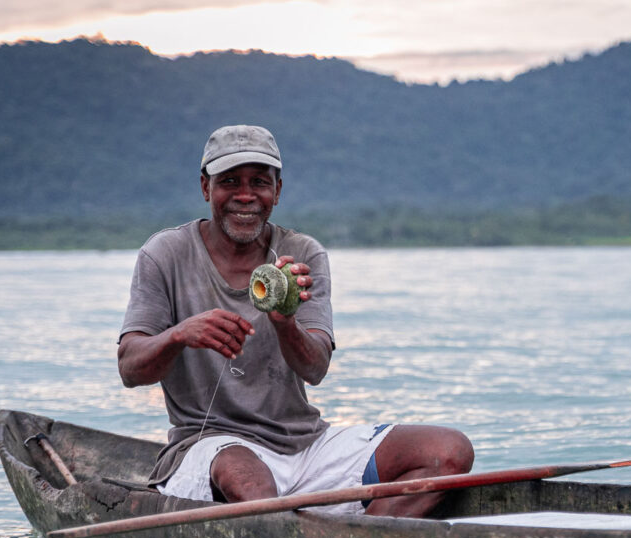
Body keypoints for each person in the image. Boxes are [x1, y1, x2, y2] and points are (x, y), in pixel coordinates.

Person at [118, 124, 473, 517]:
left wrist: (285, 322)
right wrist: (179, 335)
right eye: (230, 182)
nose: (245, 196)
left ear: (278, 191)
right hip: (209, 448)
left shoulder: (302, 255)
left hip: (303, 446)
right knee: (252, 482)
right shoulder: (164, 254)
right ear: (206, 188)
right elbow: (130, 368)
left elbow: (316, 368)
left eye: (259, 182)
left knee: (448, 453)